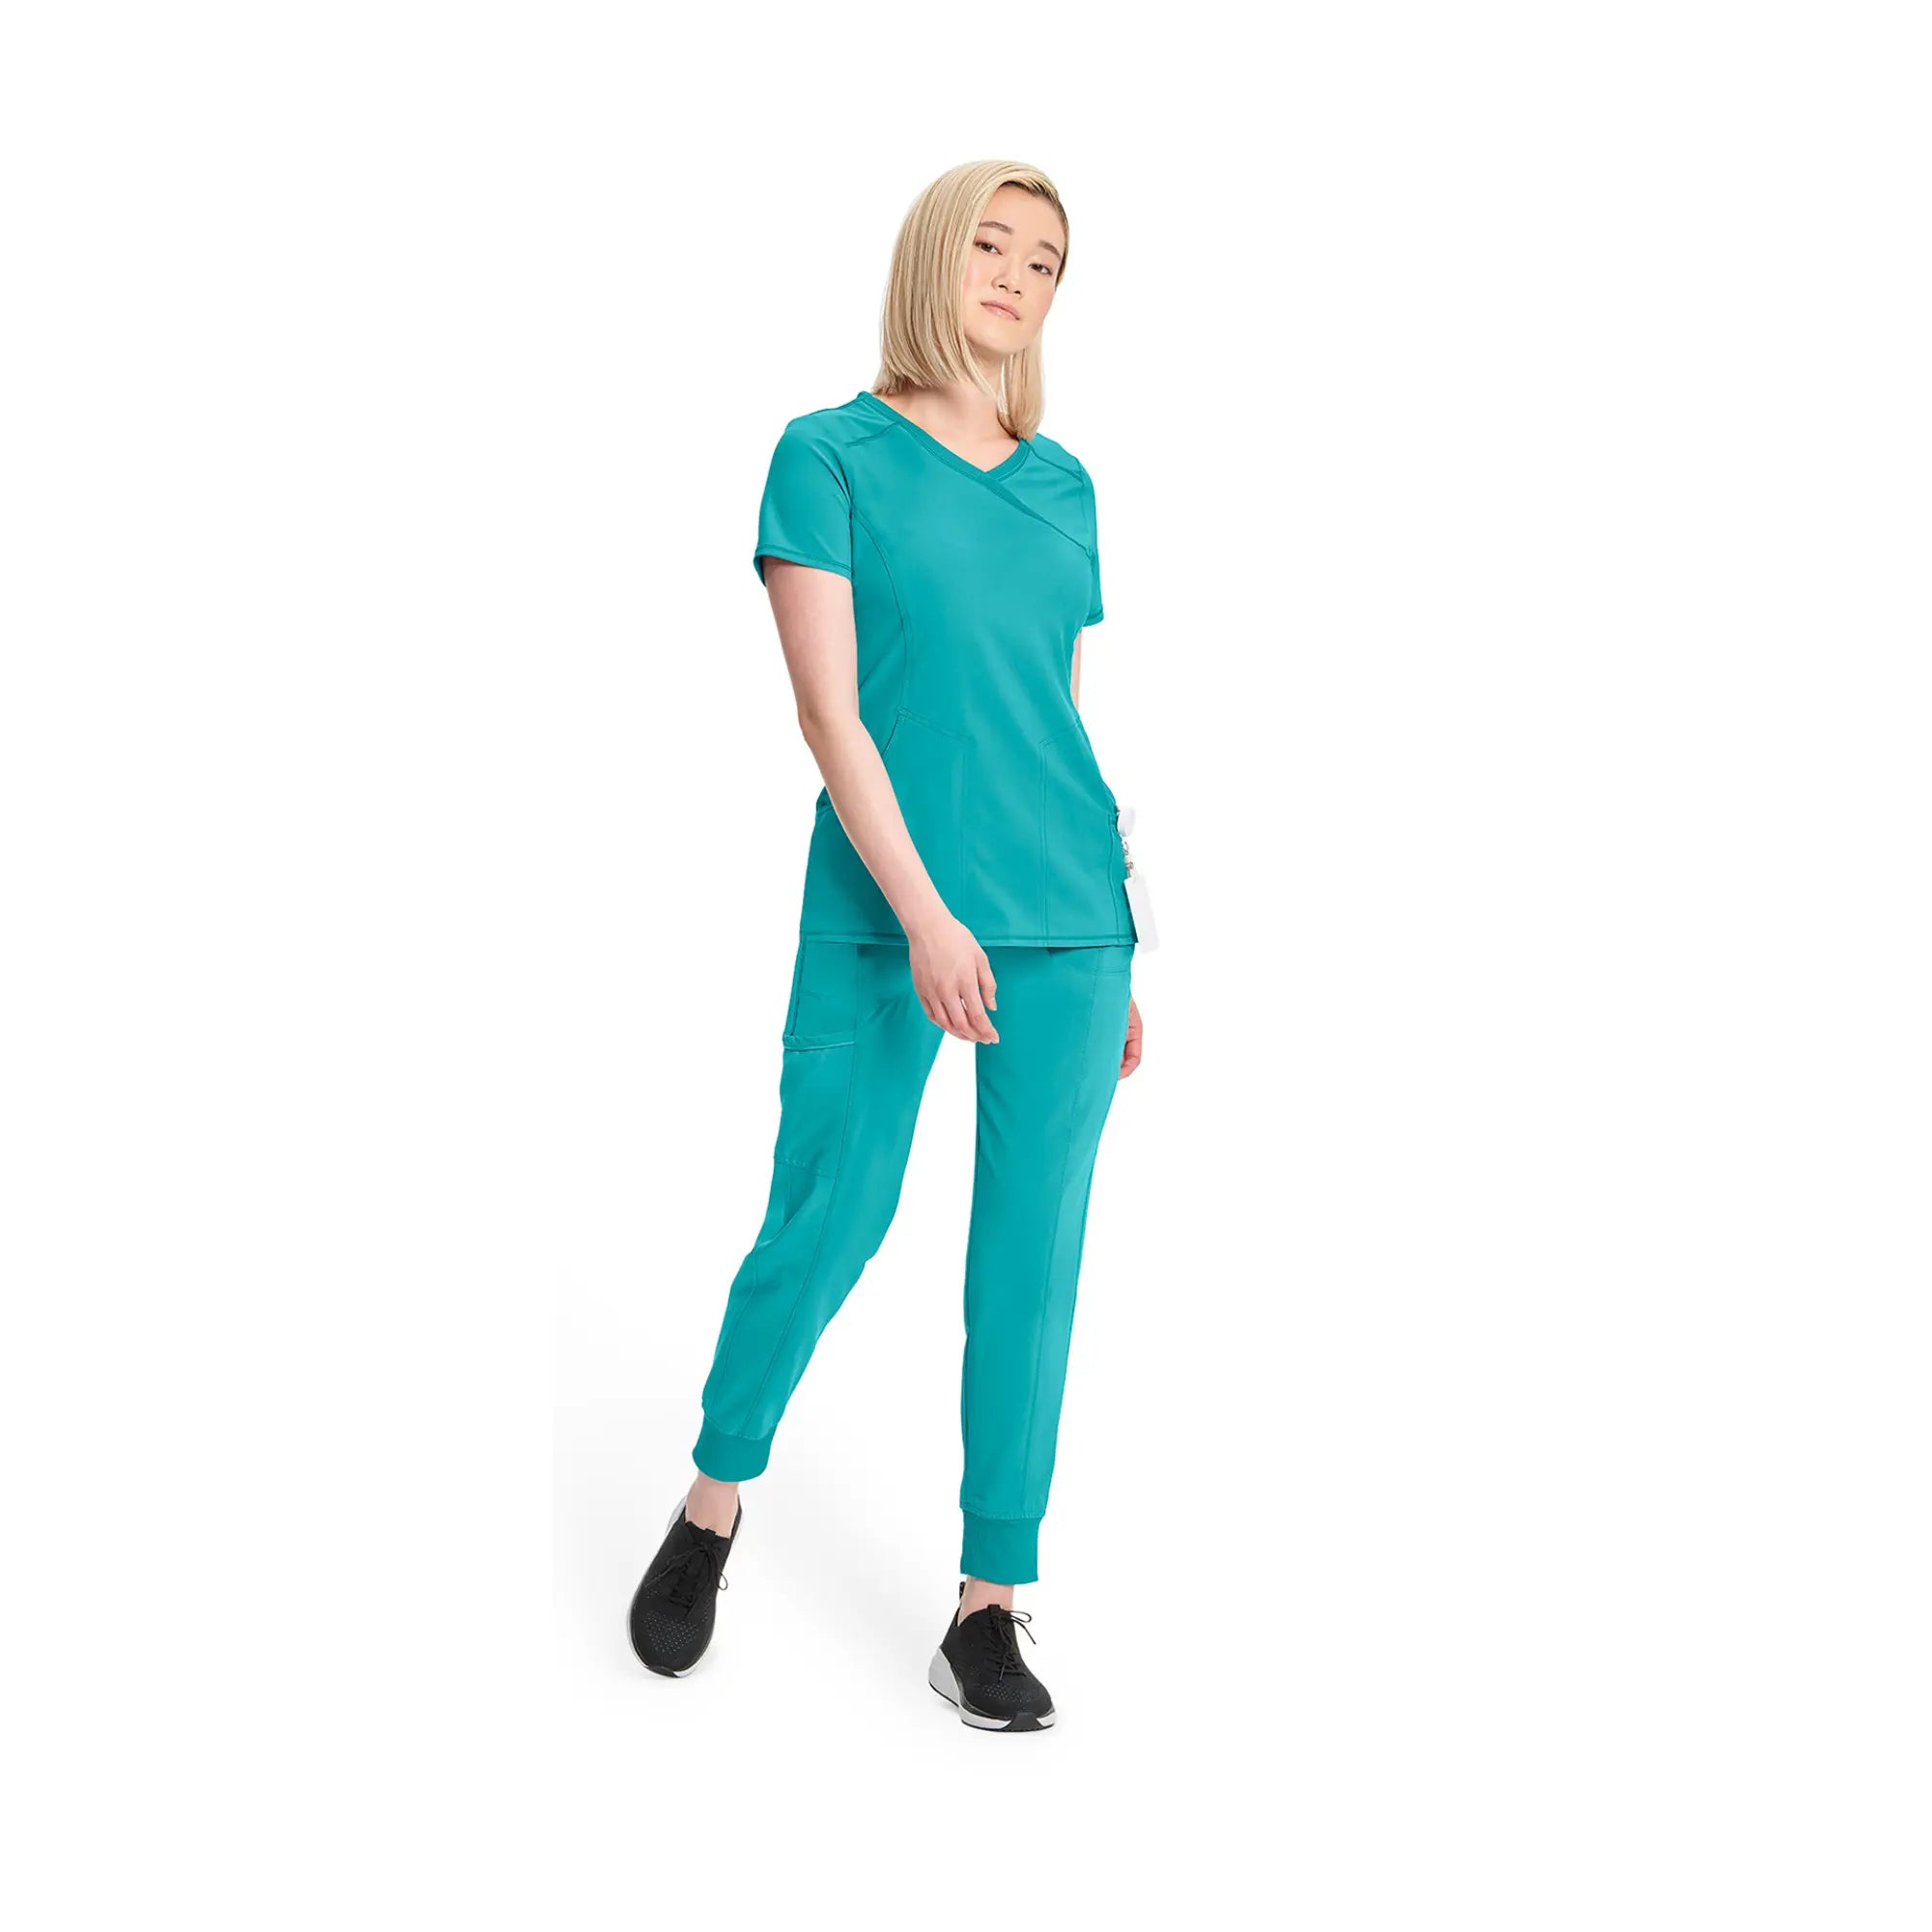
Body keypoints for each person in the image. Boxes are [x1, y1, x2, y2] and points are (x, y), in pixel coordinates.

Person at [628, 160, 1147, 1732]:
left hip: (1070, 921)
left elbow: (1058, 716)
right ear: (933, 254)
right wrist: (927, 914)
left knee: (1031, 1264)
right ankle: (714, 1498)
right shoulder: (829, 455)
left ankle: (990, 1605)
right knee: (833, 1211)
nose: (1017, 275)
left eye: (1046, 260)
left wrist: (1120, 924)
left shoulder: (1066, 486)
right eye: (992, 242)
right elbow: (830, 714)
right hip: (888, 904)